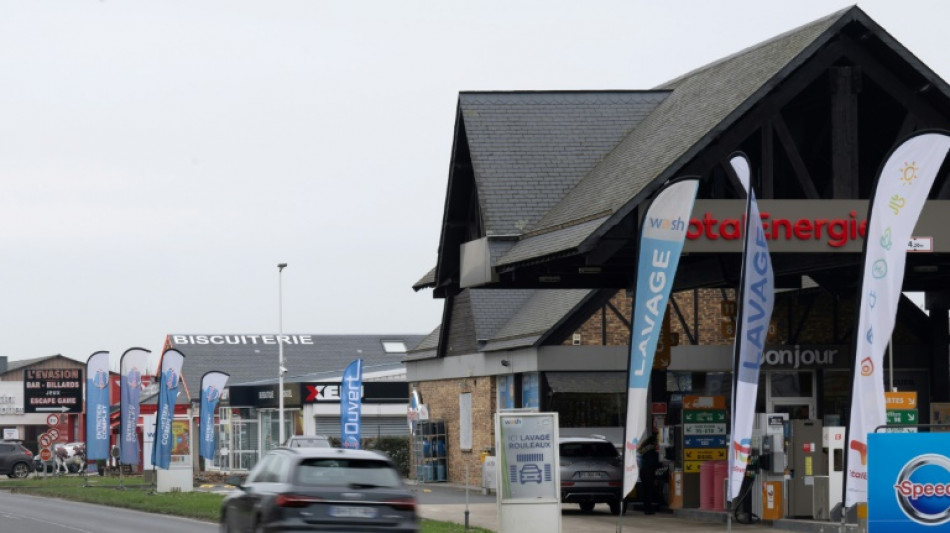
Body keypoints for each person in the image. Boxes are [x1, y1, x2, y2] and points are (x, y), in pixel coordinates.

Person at [639, 433, 660, 514]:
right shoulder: (651, 451)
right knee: (649, 491)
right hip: (648, 473)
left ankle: (646, 508)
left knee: (646, 491)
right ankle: (648, 509)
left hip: (643, 472)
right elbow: (654, 462)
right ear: (654, 442)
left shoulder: (645, 449)